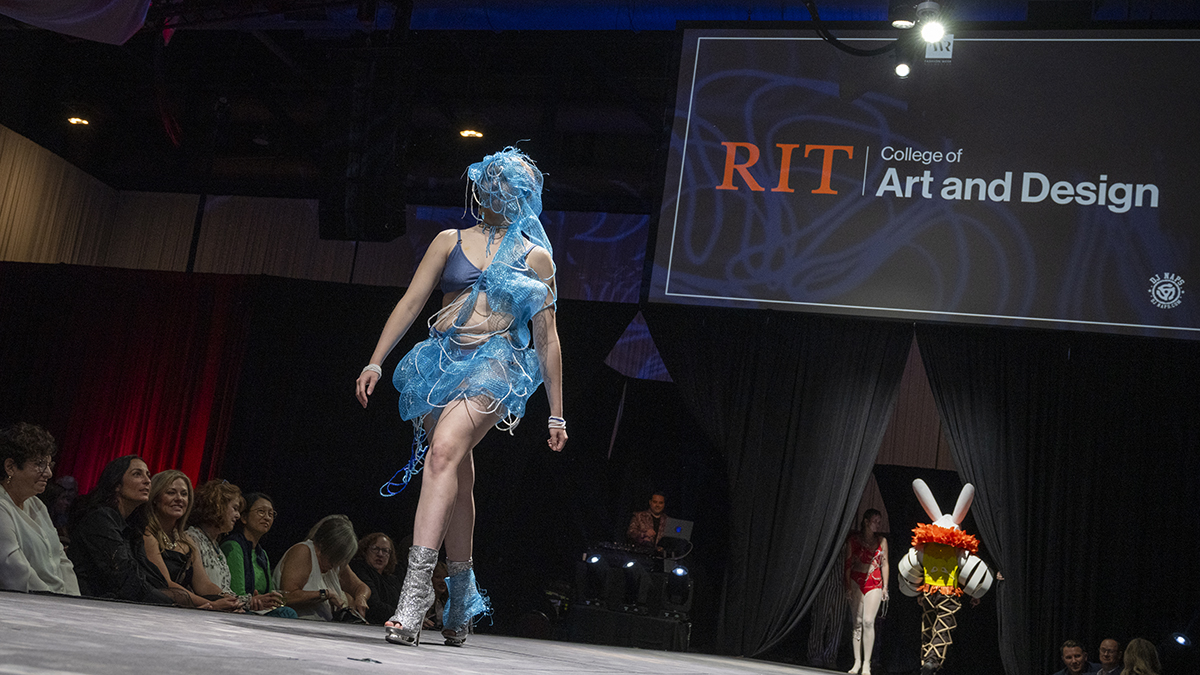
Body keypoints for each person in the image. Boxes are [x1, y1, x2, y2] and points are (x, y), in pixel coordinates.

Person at [354, 147, 567, 647]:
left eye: (514, 185)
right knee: (458, 475)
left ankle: (414, 600)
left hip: (496, 364)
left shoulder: (535, 256)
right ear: (481, 187)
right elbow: (412, 301)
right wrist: (375, 359)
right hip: (441, 363)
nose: (503, 191)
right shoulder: (448, 240)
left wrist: (557, 414)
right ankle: (460, 599)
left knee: (444, 454)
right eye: (495, 182)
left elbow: (548, 337)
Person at [67, 455, 173, 604]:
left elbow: (150, 577)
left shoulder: (132, 525)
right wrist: (174, 604)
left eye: (148, 475)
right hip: (90, 606)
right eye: (137, 474)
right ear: (116, 484)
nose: (148, 480)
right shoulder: (100, 518)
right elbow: (126, 581)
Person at [186, 480, 289, 616]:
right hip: (208, 611)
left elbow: (226, 590)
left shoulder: (216, 546)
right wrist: (247, 601)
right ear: (218, 506)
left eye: (271, 514)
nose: (238, 515)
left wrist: (254, 601)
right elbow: (204, 586)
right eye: (235, 509)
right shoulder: (192, 538)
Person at [142, 470, 240, 611]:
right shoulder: (147, 534)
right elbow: (166, 584)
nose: (179, 498)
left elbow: (204, 585)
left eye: (184, 494)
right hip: (155, 608)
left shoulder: (186, 540)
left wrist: (231, 600)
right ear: (155, 498)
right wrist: (212, 605)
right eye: (171, 492)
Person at [0, 423, 79, 594]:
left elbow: (62, 561)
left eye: (49, 464)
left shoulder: (37, 504)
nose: (49, 473)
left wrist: (75, 602)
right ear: (10, 467)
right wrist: (56, 605)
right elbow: (16, 572)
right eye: (40, 464)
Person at [275, 514, 371, 622]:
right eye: (332, 559)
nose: (333, 566)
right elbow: (287, 597)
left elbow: (360, 587)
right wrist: (325, 594)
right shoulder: (303, 551)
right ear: (322, 546)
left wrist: (361, 598)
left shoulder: (336, 562)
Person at [845, 509, 889, 675]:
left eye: (879, 521)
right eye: (875, 521)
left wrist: (885, 587)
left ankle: (866, 664)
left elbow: (885, 564)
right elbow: (847, 565)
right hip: (857, 581)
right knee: (857, 622)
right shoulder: (854, 540)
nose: (878, 524)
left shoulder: (882, 541)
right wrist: (847, 585)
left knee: (869, 621)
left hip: (874, 582)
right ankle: (856, 661)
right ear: (865, 521)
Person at [349, 532, 404, 625]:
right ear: (365, 550)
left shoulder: (392, 579)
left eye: (385, 551)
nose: (380, 554)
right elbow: (374, 606)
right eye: (375, 549)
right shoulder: (359, 569)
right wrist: (405, 617)